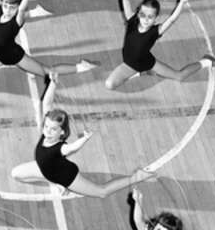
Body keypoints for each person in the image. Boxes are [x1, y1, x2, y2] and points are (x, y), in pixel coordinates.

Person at [11, 73, 153, 197]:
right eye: (47, 126)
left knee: (101, 192)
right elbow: (47, 104)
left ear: (61, 132)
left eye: (53, 129)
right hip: (46, 170)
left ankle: (137, 177)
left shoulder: (60, 147)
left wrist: (84, 139)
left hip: (66, 176)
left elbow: (72, 148)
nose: (47, 131)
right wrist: (53, 83)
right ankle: (56, 184)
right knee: (16, 174)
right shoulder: (45, 133)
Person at [105, 0, 215, 90]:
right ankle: (139, 72)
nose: (145, 19)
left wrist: (181, 2)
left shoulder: (155, 31)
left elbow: (172, 19)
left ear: (155, 18)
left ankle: (207, 61)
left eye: (150, 17)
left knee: (179, 76)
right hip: (130, 64)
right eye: (143, 14)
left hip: (147, 62)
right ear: (138, 13)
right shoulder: (132, 21)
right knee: (110, 85)